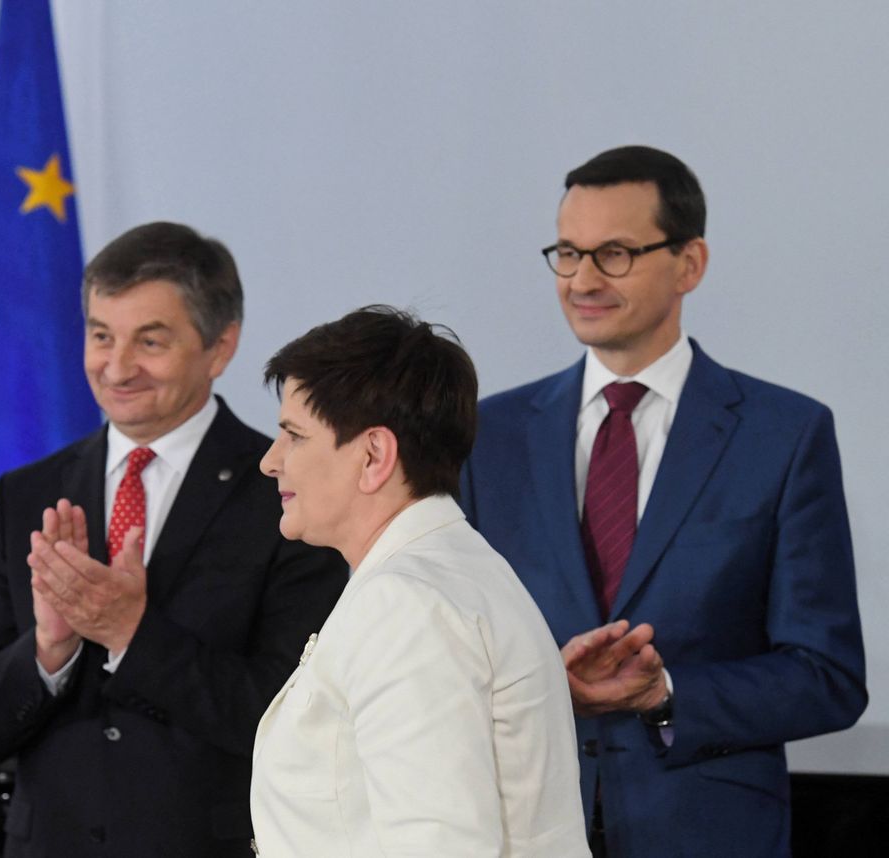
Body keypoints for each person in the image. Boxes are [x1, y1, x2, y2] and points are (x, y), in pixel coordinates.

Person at [459, 145, 867, 856]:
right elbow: (456, 649)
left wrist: (666, 692)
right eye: (567, 252)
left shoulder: (784, 434)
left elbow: (826, 674)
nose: (583, 279)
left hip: (706, 830)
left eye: (614, 253)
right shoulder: (488, 435)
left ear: (691, 264)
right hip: (521, 826)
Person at [0, 222, 348, 858]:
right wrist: (49, 647)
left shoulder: (286, 493)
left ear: (220, 346)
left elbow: (297, 718)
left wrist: (133, 635)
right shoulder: (26, 494)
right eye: (101, 336)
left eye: (149, 341)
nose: (117, 366)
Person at [250, 306, 589, 857]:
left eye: (294, 436)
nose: (271, 461)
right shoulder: (440, 573)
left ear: (374, 455)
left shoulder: (407, 605)